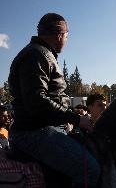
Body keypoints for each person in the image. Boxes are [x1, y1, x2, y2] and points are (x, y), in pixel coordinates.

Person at [8, 13, 100, 187]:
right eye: (67, 36)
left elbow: (51, 99)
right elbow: (37, 102)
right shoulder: (36, 54)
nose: (66, 40)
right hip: (33, 131)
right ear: (59, 35)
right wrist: (77, 119)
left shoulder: (41, 53)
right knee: (90, 169)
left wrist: (72, 113)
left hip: (42, 128)